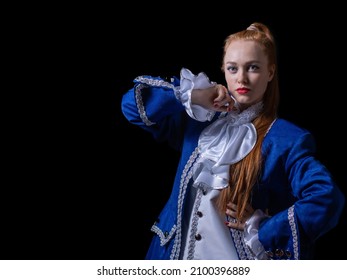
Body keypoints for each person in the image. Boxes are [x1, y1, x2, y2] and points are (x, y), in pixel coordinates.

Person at [120, 22, 345, 260]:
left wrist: (263, 228)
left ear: (270, 72)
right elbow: (132, 107)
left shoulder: (286, 139)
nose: (242, 79)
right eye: (233, 68)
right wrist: (195, 95)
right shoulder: (199, 119)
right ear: (223, 70)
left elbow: (326, 198)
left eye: (253, 68)